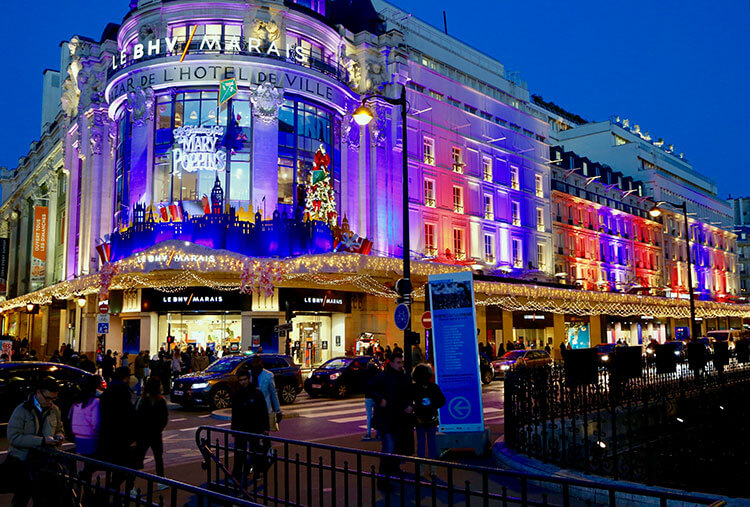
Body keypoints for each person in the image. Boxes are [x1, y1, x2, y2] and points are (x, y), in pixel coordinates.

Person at [7, 377, 65, 506]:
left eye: (54, 399)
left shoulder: (54, 410)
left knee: (43, 499)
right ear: (38, 393)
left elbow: (60, 428)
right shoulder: (22, 410)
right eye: (48, 398)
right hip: (24, 462)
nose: (50, 402)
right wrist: (42, 441)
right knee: (22, 497)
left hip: (46, 463)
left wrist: (59, 436)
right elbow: (13, 437)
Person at [367, 352, 414, 491]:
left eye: (401, 362)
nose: (400, 365)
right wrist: (380, 399)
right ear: (391, 362)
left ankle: (394, 469)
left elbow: (408, 393)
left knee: (395, 447)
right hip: (387, 418)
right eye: (398, 362)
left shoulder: (403, 377)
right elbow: (370, 388)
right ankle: (383, 479)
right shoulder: (383, 376)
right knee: (388, 448)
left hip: (399, 417)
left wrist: (409, 405)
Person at [99, 366, 137, 489]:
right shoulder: (123, 391)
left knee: (115, 466)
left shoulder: (108, 390)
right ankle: (112, 491)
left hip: (107, 433)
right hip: (121, 435)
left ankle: (111, 490)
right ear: (125, 378)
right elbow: (128, 415)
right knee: (126, 466)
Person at [231, 368, 270, 483]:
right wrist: (234, 429)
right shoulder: (237, 394)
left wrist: (265, 427)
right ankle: (238, 475)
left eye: (244, 380)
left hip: (254, 427)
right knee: (240, 453)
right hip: (242, 427)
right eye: (241, 380)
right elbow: (235, 413)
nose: (243, 382)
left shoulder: (256, 393)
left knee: (255, 451)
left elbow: (263, 411)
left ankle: (256, 472)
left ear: (249, 379)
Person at [412, 364, 445, 477]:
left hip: (419, 419)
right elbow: (442, 401)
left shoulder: (414, 388)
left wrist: (416, 408)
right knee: (432, 443)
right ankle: (433, 469)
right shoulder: (433, 387)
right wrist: (433, 405)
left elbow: (410, 402)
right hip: (431, 418)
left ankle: (420, 469)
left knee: (421, 444)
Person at [134, 377, 168, 482]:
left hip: (142, 433)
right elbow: (164, 419)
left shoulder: (141, 400)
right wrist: (160, 428)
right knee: (158, 457)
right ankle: (161, 479)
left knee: (138, 458)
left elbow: (135, 416)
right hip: (156, 433)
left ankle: (131, 484)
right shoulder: (161, 401)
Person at [70, 375, 101, 457]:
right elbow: (96, 422)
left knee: (85, 459)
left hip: (78, 434)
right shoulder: (95, 401)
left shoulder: (77, 400)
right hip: (90, 434)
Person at [249, 356, 282, 431]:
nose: (255, 365)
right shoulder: (249, 374)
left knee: (264, 432)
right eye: (254, 363)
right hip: (252, 408)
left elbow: (273, 393)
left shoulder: (268, 375)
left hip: (265, 408)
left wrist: (278, 410)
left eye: (256, 363)